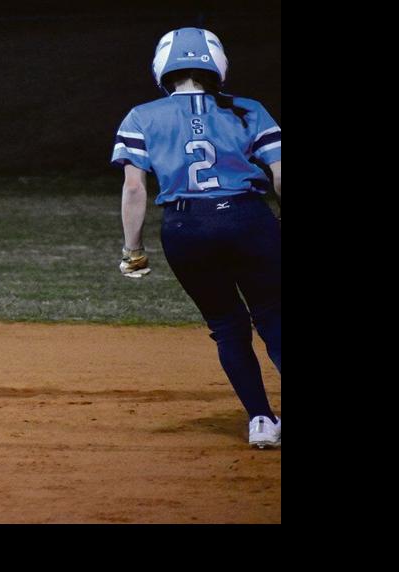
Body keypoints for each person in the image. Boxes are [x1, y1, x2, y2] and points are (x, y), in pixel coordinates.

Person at [109, 28, 282, 449]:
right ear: (217, 64)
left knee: (227, 327)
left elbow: (134, 189)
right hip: (248, 219)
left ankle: (261, 419)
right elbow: (280, 172)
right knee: (275, 317)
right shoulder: (248, 109)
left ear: (162, 66)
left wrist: (133, 250)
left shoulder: (141, 116)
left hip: (187, 230)